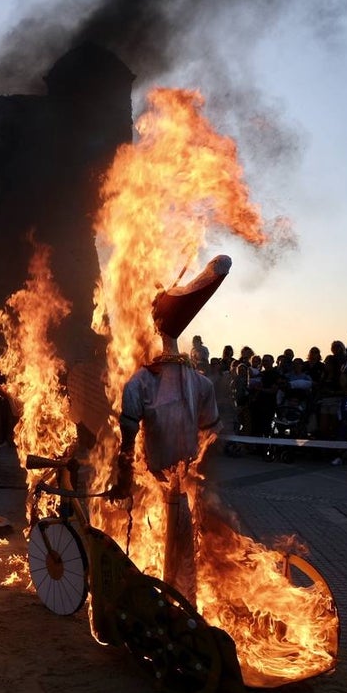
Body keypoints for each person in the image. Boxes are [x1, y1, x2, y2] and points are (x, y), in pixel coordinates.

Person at [117, 255, 229, 603]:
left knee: (181, 553)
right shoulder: (195, 383)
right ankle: (174, 597)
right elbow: (210, 434)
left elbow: (129, 434)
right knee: (170, 551)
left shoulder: (145, 383)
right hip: (161, 482)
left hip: (175, 482)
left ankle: (177, 602)